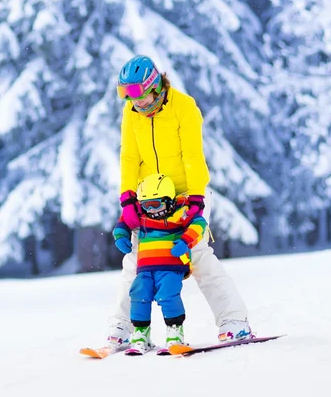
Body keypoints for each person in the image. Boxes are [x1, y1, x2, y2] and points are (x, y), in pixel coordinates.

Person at [108, 54, 253, 349]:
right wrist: (127, 200)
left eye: (137, 95)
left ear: (154, 86)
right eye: (126, 96)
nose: (134, 103)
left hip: (186, 196)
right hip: (148, 199)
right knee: (135, 261)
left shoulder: (183, 107)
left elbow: (192, 156)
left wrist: (196, 200)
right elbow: (129, 156)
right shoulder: (131, 113)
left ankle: (233, 321)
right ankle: (122, 327)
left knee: (196, 256)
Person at [113, 173, 208, 353]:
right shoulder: (142, 215)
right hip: (145, 269)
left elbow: (199, 223)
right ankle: (141, 334)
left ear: (169, 200)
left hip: (171, 266)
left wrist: (186, 241)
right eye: (146, 205)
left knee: (168, 294)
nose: (151, 210)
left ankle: (175, 332)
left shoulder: (181, 212)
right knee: (138, 294)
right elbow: (124, 221)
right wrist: (120, 236)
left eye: (155, 204)